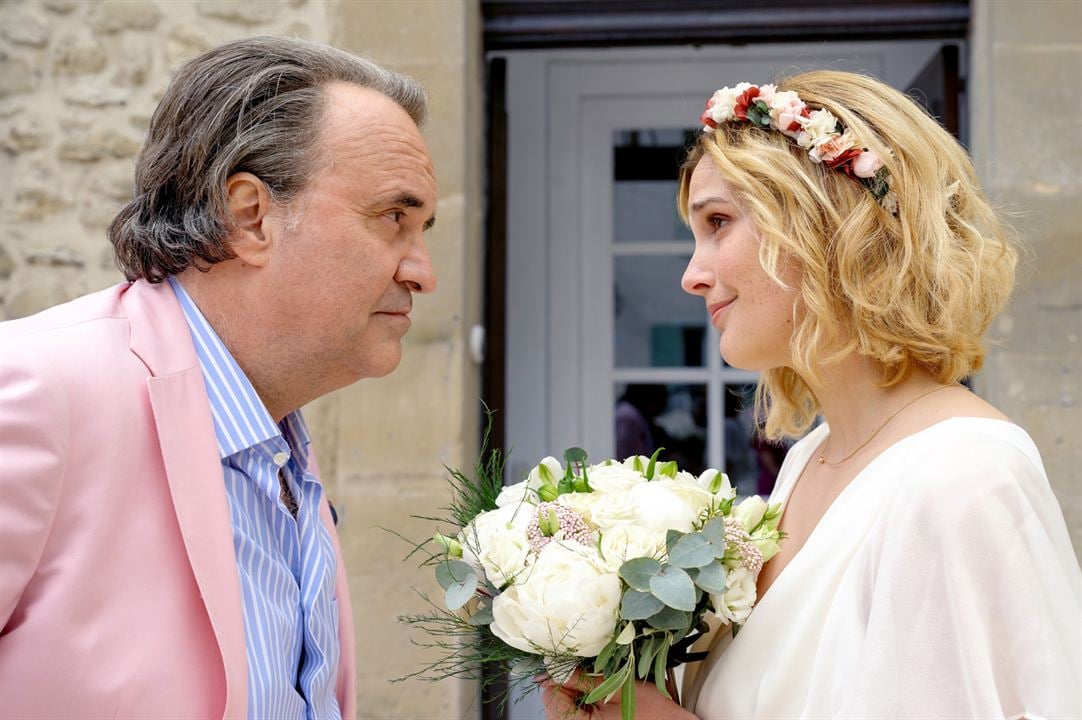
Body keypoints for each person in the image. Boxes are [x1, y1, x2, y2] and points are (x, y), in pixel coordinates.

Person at [543, 70, 1080, 719]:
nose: (692, 275)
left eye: (719, 223)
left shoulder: (961, 479)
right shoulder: (812, 457)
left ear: (827, 224)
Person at [0, 36, 437, 718]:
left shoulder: (283, 447)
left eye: (424, 229)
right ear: (250, 216)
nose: (422, 271)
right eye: (393, 218)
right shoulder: (34, 389)